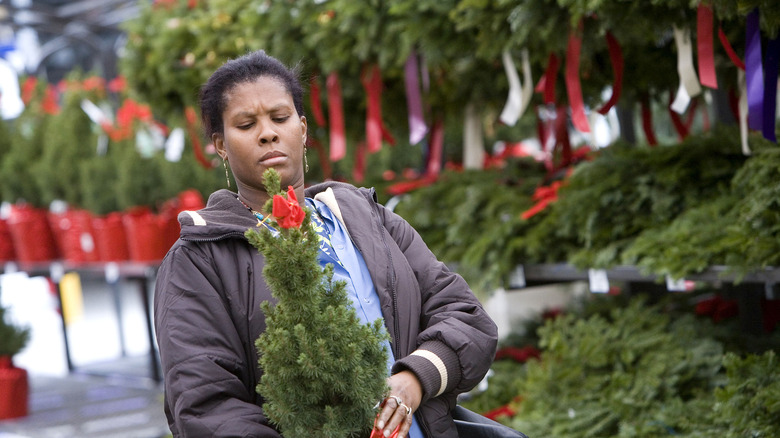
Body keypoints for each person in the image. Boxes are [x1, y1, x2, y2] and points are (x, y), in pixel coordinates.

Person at [153, 50, 500, 438]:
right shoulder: (199, 260)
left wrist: (413, 380)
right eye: (246, 124)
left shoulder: (368, 220)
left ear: (302, 129)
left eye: (280, 118)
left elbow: (466, 316)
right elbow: (206, 404)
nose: (267, 132)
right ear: (220, 144)